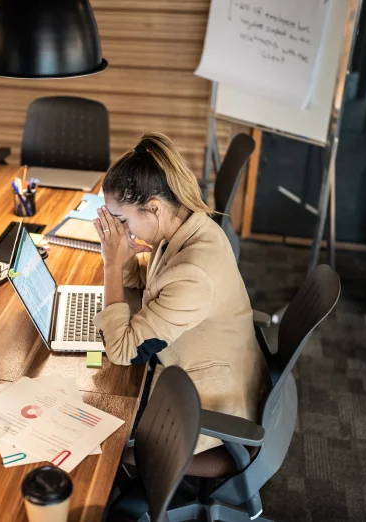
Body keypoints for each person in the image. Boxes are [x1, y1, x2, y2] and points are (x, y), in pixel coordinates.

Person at [92, 132, 268, 454]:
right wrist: (125, 259)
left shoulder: (193, 272)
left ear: (154, 208)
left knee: (99, 425)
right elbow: (152, 282)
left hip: (212, 404)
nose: (120, 229)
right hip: (201, 371)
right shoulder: (188, 224)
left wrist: (111, 265)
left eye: (121, 220)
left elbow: (123, 351)